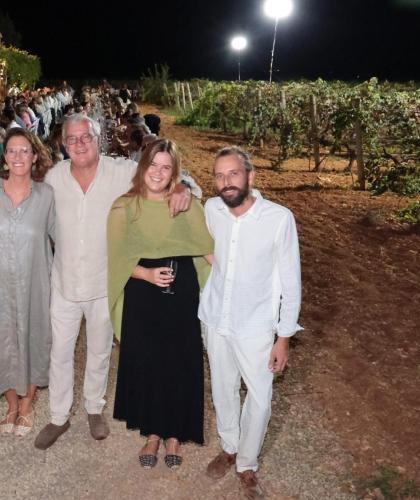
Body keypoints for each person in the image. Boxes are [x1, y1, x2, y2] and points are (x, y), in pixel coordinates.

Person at [31, 113, 195, 450]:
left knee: (100, 349)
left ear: (99, 139)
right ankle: (59, 416)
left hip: (105, 281)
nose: (79, 144)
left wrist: (183, 186)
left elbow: (161, 174)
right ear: (63, 143)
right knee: (59, 352)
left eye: (86, 137)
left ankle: (94, 408)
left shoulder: (121, 172)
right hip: (64, 281)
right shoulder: (54, 177)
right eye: (72, 138)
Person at [199, 146, 302, 499]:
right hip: (216, 317)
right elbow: (198, 240)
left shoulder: (278, 219)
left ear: (250, 176)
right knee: (222, 387)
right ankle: (229, 446)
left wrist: (284, 337)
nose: (226, 182)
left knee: (259, 397)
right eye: (219, 176)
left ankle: (246, 463)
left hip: (256, 324)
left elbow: (291, 283)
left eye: (233, 173)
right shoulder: (212, 209)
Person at [108, 139, 213, 470]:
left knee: (179, 361)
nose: (158, 172)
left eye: (166, 167)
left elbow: (209, 249)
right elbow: (116, 255)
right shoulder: (124, 206)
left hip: (181, 294)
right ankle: (153, 432)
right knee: (149, 362)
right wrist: (146, 274)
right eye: (153, 164)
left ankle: (175, 435)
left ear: (175, 172)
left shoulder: (186, 204)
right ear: (142, 166)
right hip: (142, 292)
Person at [0, 128, 55, 438]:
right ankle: (12, 405)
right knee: (0, 343)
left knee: (33, 340)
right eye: (12, 150)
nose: (18, 156)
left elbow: (60, 238)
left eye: (24, 151)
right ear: (4, 157)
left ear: (34, 157)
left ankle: (27, 405)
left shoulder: (46, 196)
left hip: (34, 286)